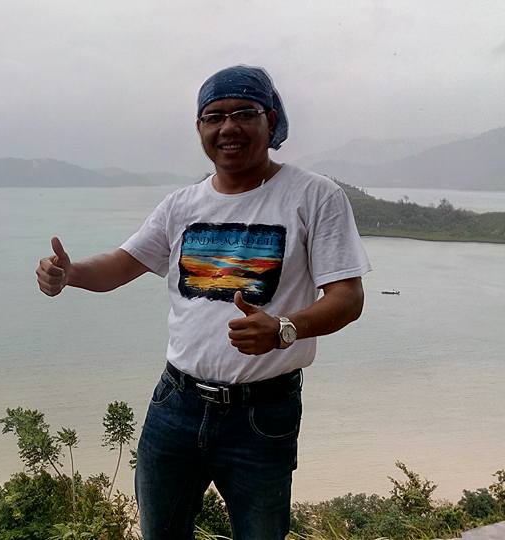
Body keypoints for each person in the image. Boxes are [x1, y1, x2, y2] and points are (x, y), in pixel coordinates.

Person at [35, 65, 370, 539]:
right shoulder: (181, 205)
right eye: (214, 117)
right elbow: (122, 264)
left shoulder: (314, 196)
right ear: (200, 129)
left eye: (244, 113)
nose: (228, 127)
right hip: (176, 404)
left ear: (271, 121)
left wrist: (284, 329)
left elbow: (348, 297)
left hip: (263, 414)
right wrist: (71, 274)